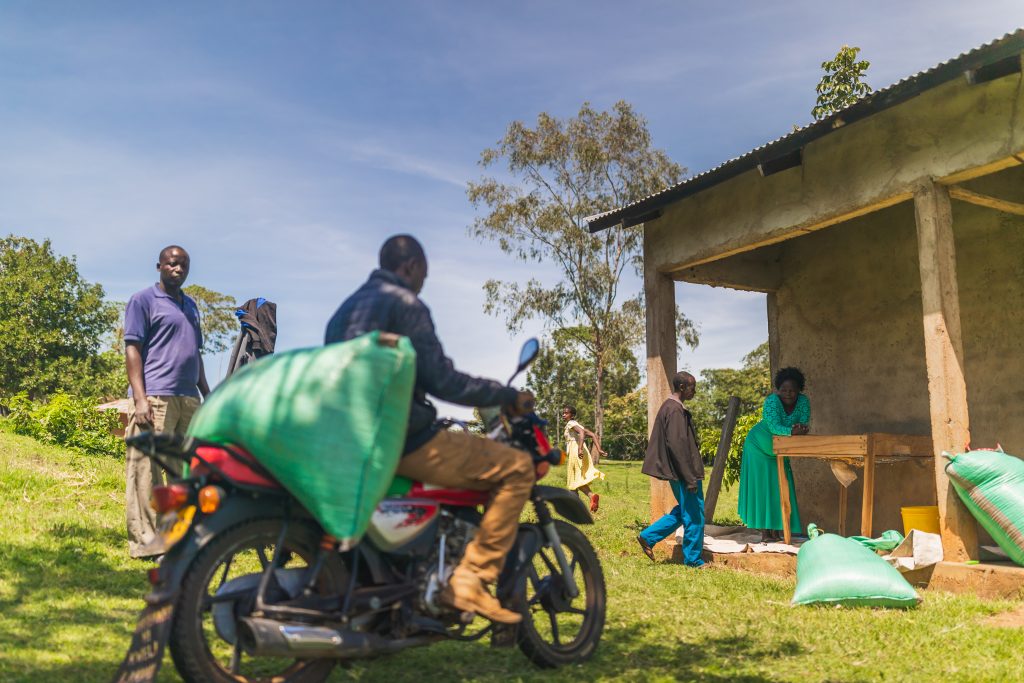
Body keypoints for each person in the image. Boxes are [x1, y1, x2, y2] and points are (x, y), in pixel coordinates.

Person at [325, 235, 535, 625]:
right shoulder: (406, 304)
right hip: (403, 439)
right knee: (517, 467)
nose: (423, 281)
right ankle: (471, 579)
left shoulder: (343, 311)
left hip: (352, 441)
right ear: (410, 267)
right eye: (423, 273)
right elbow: (443, 379)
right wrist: (505, 394)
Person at [124, 245, 210, 558]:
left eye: (183, 265)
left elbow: (196, 354)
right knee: (145, 470)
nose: (178, 269)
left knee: (182, 473)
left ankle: (174, 539)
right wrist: (140, 398)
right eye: (172, 264)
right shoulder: (142, 300)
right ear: (159, 265)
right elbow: (132, 348)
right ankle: (145, 542)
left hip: (188, 399)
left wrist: (208, 393)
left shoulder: (191, 306)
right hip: (155, 397)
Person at [636, 372, 707, 568]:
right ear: (682, 387)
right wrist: (690, 477)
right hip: (684, 472)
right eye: (693, 387)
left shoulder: (672, 408)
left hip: (680, 472)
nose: (695, 391)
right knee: (694, 514)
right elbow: (677, 446)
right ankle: (693, 560)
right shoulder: (674, 410)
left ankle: (648, 536)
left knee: (685, 510)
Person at [737, 367, 808, 542]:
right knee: (762, 487)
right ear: (778, 389)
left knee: (781, 486)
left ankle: (777, 530)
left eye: (792, 390)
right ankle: (765, 532)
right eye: (783, 390)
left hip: (780, 447)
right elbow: (774, 427)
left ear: (799, 389)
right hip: (758, 445)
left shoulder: (804, 401)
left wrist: (800, 429)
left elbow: (804, 423)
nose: (788, 394)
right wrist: (793, 431)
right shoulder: (771, 402)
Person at [561, 406, 605, 513]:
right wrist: (599, 450)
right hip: (580, 451)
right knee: (575, 479)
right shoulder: (576, 424)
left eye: (566, 413)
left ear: (572, 415)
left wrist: (579, 449)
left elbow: (581, 432)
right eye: (563, 413)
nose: (563, 415)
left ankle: (583, 503)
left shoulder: (571, 424)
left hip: (576, 451)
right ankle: (581, 504)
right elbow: (593, 435)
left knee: (574, 480)